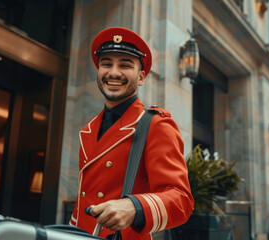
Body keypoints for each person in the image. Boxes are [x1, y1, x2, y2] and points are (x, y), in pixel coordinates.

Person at [69, 27, 194, 240]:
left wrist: (134, 207)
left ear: (142, 77)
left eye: (125, 65)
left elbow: (181, 200)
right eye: (106, 64)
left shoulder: (155, 124)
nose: (114, 72)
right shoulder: (88, 129)